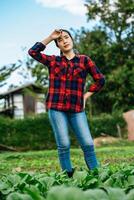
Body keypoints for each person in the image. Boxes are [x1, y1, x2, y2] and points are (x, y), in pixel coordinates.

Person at [28, 29, 105, 178]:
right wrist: (50, 37)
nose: (64, 41)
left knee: (88, 144)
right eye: (60, 39)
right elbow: (33, 52)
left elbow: (100, 79)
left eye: (66, 37)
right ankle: (68, 176)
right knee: (64, 145)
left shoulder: (84, 60)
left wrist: (86, 96)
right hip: (56, 109)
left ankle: (97, 175)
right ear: (58, 45)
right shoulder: (53, 61)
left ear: (72, 39)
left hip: (77, 109)